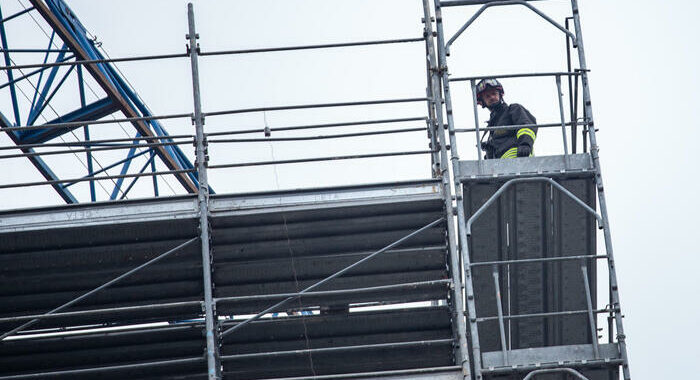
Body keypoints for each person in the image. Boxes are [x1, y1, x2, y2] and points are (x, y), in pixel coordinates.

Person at [476, 78, 537, 159]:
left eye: (494, 93)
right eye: (487, 96)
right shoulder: (492, 126)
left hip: (520, 160)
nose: (492, 97)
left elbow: (526, 125)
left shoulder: (513, 109)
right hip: (503, 167)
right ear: (482, 102)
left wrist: (525, 144)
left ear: (500, 95)